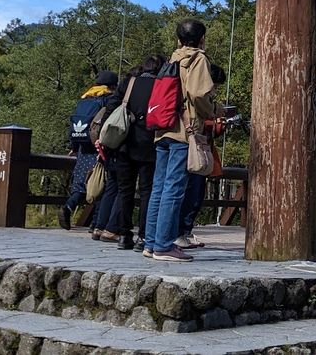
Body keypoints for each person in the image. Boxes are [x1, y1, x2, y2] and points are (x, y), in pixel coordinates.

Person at [145, 20, 225, 262]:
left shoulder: (172, 59)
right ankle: (164, 245)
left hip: (163, 129)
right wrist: (213, 110)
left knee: (158, 188)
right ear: (202, 39)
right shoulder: (198, 59)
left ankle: (151, 242)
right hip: (185, 130)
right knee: (174, 188)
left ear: (179, 39)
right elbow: (199, 93)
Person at [100, 56, 162, 251]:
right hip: (149, 143)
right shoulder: (160, 85)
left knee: (124, 191)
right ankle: (143, 237)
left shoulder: (129, 82)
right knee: (147, 191)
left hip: (124, 143)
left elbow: (111, 107)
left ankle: (124, 235)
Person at [175, 63, 229, 249]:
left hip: (192, 145)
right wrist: (215, 116)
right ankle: (181, 232)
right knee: (192, 193)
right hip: (193, 147)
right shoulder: (199, 97)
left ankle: (181, 232)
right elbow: (198, 122)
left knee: (190, 192)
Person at [60, 70, 117, 233]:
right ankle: (96, 224)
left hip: (82, 146)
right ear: (112, 85)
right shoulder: (108, 99)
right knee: (101, 183)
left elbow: (77, 123)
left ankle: (68, 207)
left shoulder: (85, 99)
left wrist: (74, 146)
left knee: (80, 184)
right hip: (100, 147)